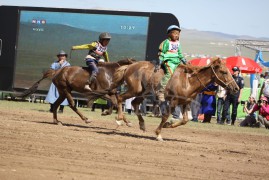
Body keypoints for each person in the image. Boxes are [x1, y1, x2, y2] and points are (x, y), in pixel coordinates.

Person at [156, 24, 186, 111]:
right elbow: (161, 52)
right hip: (168, 61)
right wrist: (160, 61)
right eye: (174, 33)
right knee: (169, 73)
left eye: (178, 34)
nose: (176, 35)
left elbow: (179, 53)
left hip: (177, 61)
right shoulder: (166, 42)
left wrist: (183, 60)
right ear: (169, 34)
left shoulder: (178, 43)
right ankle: (161, 91)